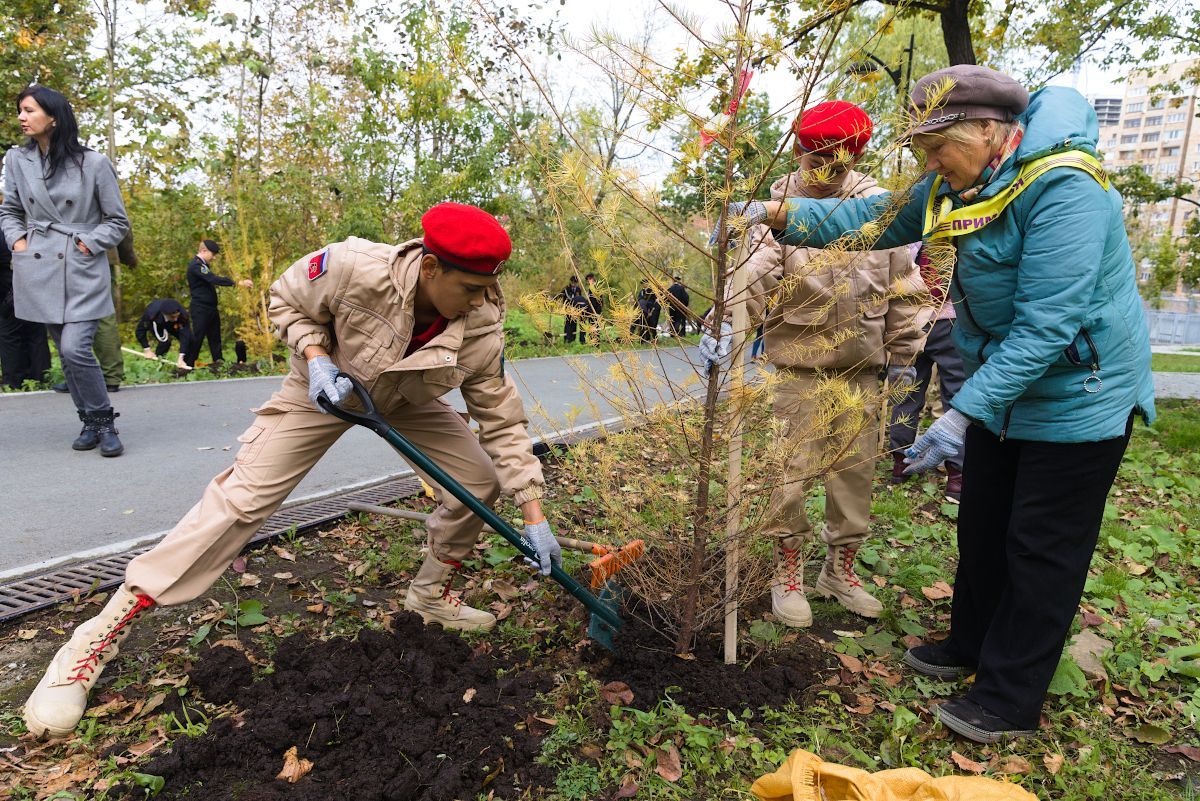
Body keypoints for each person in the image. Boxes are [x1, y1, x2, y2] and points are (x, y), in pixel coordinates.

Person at [717, 66, 1154, 742]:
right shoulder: (962, 180)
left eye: (938, 146)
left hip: (1077, 392)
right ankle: (969, 644)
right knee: (982, 523)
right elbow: (871, 217)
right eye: (923, 147)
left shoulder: (1067, 188)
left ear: (988, 131)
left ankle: (1009, 697)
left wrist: (957, 413)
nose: (929, 162)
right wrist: (773, 213)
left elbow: (1047, 326)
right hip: (1005, 393)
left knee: (1041, 544)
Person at [22, 202, 565, 739]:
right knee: (240, 502)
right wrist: (318, 357)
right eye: (470, 288)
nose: (483, 300)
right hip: (323, 390)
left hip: (406, 402)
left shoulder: (483, 321)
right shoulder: (355, 266)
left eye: (488, 288)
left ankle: (428, 597)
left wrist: (533, 513)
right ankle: (96, 637)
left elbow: (500, 418)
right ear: (430, 268)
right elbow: (284, 299)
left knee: (479, 480)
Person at [704, 100, 927, 628]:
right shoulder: (777, 207)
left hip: (862, 369)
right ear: (801, 151)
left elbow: (904, 287)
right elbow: (754, 274)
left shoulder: (881, 207)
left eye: (837, 162)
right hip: (796, 369)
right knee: (790, 475)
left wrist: (903, 357)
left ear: (855, 157)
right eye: (815, 159)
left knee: (854, 476)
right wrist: (724, 324)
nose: (824, 171)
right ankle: (788, 573)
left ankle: (839, 569)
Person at [0, 86, 130, 455]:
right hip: (39, 264)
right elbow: (9, 211)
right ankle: (88, 421)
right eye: (20, 110)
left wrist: (89, 243)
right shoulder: (16, 161)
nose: (22, 117)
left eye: (28, 110)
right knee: (63, 348)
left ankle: (104, 421)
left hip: (81, 265)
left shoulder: (94, 163)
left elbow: (118, 221)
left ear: (53, 117)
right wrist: (19, 243)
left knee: (75, 348)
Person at [888, 242, 967, 502]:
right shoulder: (959, 235)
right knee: (956, 395)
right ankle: (957, 474)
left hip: (912, 321)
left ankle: (901, 461)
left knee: (907, 391)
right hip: (950, 320)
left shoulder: (912, 236)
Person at [50, 230, 137, 394]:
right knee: (102, 314)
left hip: (63, 254)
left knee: (68, 314)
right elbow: (120, 223)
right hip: (98, 251)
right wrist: (128, 257)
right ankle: (109, 376)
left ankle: (77, 377)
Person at [182, 239, 252, 368]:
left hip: (210, 308)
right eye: (212, 254)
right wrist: (237, 283)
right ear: (204, 251)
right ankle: (187, 364)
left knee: (215, 337)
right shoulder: (196, 266)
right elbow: (212, 278)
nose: (214, 258)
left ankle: (218, 363)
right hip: (200, 308)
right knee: (198, 336)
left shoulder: (203, 266)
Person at [0, 235, 51, 388]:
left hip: (10, 287)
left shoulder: (7, 225)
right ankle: (40, 377)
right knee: (35, 331)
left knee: (9, 333)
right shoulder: (28, 223)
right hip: (33, 281)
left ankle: (14, 381)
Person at [134, 298, 191, 368]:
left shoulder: (182, 315)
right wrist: (146, 349)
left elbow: (185, 335)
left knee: (190, 340)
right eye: (173, 317)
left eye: (177, 316)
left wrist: (181, 357)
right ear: (165, 314)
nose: (176, 319)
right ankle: (156, 364)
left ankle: (185, 365)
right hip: (157, 323)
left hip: (173, 324)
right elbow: (140, 331)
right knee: (165, 343)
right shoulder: (151, 314)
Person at [557, 274, 588, 343]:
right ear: (571, 282)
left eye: (575, 282)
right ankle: (567, 339)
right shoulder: (566, 289)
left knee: (575, 324)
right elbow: (561, 296)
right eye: (573, 282)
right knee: (568, 324)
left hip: (576, 309)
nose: (574, 284)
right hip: (568, 309)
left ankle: (574, 339)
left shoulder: (578, 289)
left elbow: (579, 299)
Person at [584, 272, 603, 343]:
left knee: (596, 326)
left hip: (595, 311)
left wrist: (598, 311)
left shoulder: (597, 287)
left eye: (588, 280)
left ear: (591, 279)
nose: (588, 282)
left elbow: (599, 300)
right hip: (590, 311)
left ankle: (596, 342)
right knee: (591, 326)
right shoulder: (590, 288)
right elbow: (589, 300)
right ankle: (592, 341)